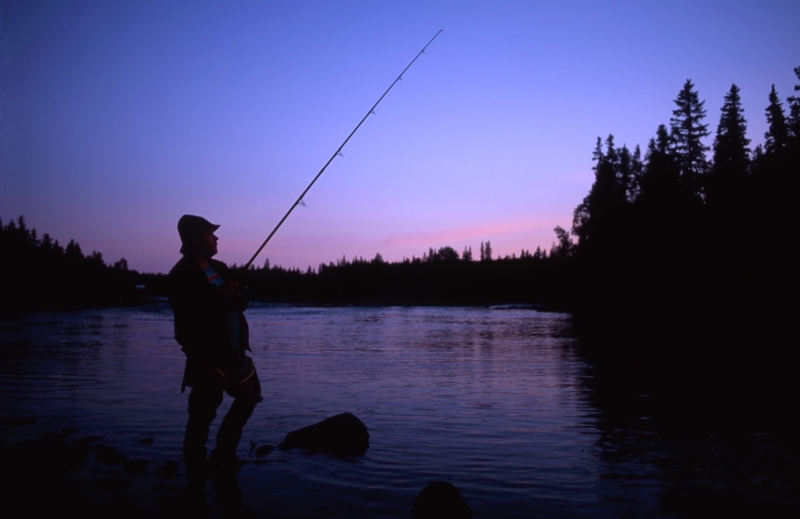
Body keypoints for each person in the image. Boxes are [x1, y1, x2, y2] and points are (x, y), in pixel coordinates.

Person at [168, 214, 262, 476]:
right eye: (211, 233)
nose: (216, 237)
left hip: (234, 351)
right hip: (206, 356)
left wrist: (237, 293)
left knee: (250, 397)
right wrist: (218, 296)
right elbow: (190, 314)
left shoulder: (218, 267)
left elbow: (241, 302)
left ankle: (224, 454)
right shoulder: (181, 274)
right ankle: (195, 469)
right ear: (196, 239)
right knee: (202, 414)